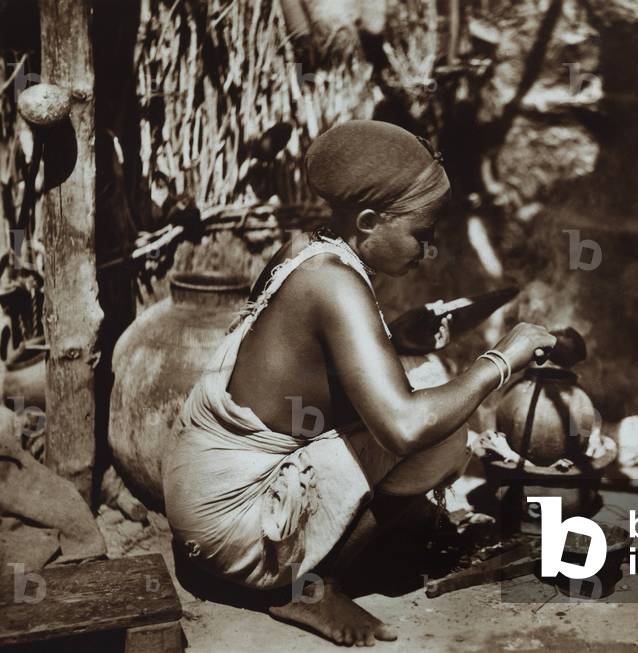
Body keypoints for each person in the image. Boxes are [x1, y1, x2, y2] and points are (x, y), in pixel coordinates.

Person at [162, 120, 555, 646]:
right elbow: (403, 427)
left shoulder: (303, 251)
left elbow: (307, 367)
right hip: (233, 523)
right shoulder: (336, 285)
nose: (427, 250)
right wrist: (502, 359)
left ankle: (324, 556)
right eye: (422, 234)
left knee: (426, 380)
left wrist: (400, 340)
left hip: (197, 494)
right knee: (442, 435)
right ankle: (308, 589)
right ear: (369, 221)